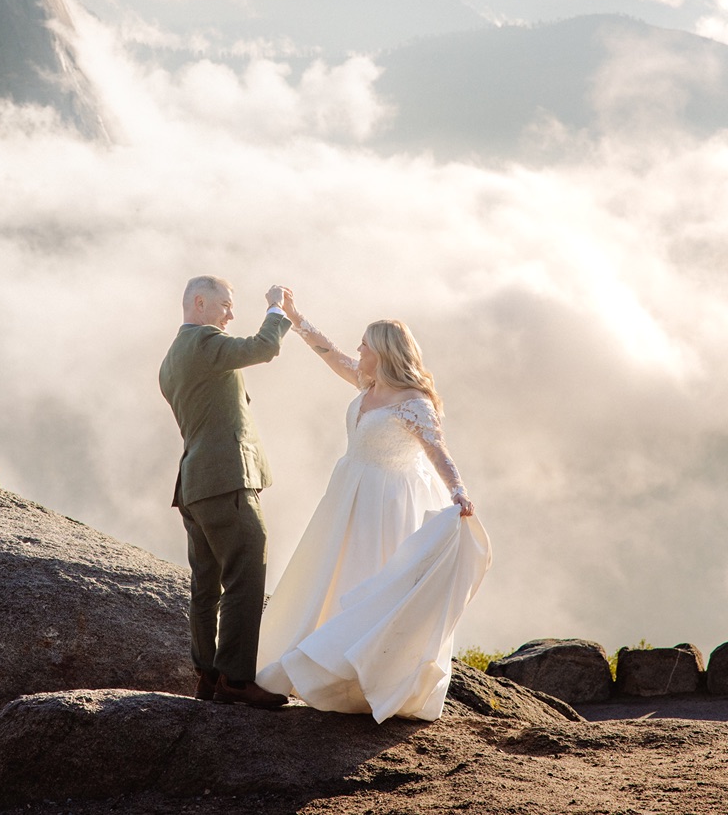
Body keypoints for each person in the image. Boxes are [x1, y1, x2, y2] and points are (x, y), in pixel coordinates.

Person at [255, 294, 492, 722]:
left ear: (383, 351)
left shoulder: (413, 400)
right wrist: (294, 317)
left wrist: (458, 491)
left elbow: (438, 451)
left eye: (365, 345)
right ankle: (321, 669)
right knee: (331, 574)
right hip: (348, 492)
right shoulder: (367, 384)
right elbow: (327, 353)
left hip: (387, 501)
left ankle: (365, 678)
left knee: (373, 578)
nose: (358, 351)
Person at [159, 275, 293, 709]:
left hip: (194, 485)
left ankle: (207, 676)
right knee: (246, 572)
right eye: (226, 305)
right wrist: (277, 309)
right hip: (225, 479)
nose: (231, 314)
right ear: (200, 302)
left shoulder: (171, 359)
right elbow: (262, 348)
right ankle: (236, 680)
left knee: (207, 583)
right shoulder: (203, 343)